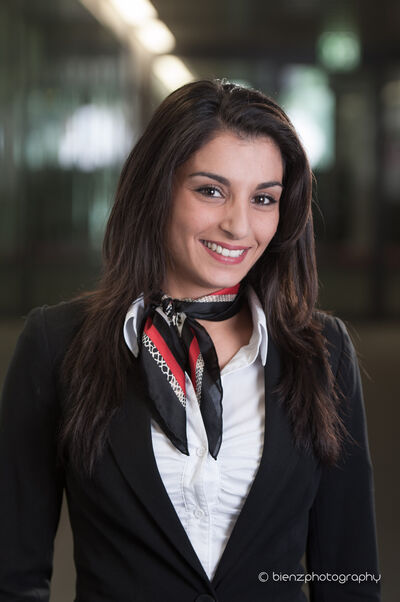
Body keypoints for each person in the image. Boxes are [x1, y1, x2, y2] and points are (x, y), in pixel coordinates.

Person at [0, 79, 380, 602]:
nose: (238, 226)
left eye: (263, 198)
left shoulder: (322, 352)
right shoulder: (56, 345)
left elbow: (350, 579)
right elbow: (13, 576)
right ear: (156, 189)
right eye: (211, 191)